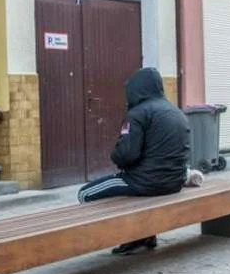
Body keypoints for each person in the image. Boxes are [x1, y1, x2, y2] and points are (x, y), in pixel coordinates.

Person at [77, 67, 191, 255]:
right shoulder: (176, 112)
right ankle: (143, 235)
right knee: (130, 193)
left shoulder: (138, 113)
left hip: (145, 183)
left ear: (136, 89)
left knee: (84, 194)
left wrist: (115, 156)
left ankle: (127, 236)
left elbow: (126, 154)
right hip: (174, 183)